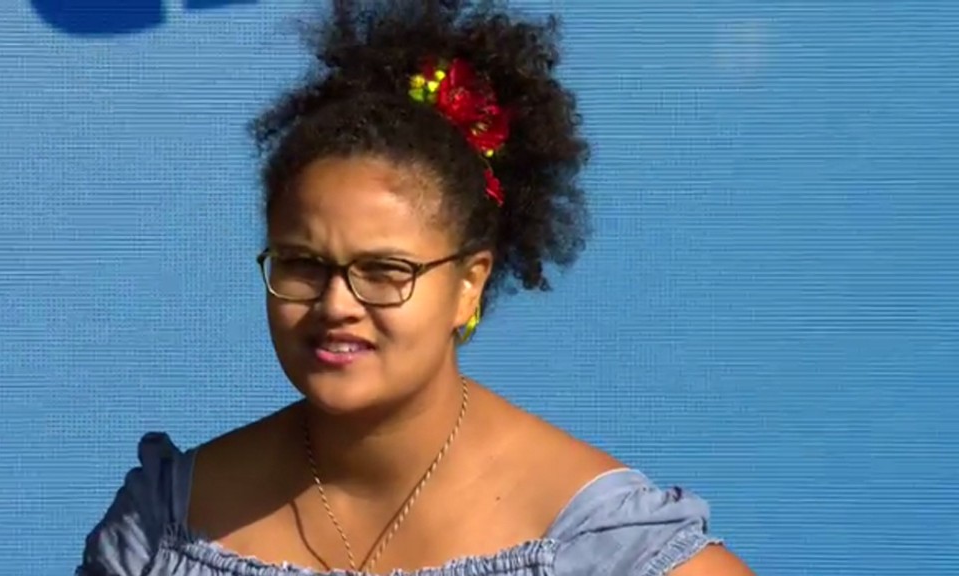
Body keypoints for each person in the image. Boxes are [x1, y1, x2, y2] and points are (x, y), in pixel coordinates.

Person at [76, 1, 754, 574]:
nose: (337, 305)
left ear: (469, 284)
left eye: (384, 271)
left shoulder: (604, 548)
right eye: (303, 264)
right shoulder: (163, 528)